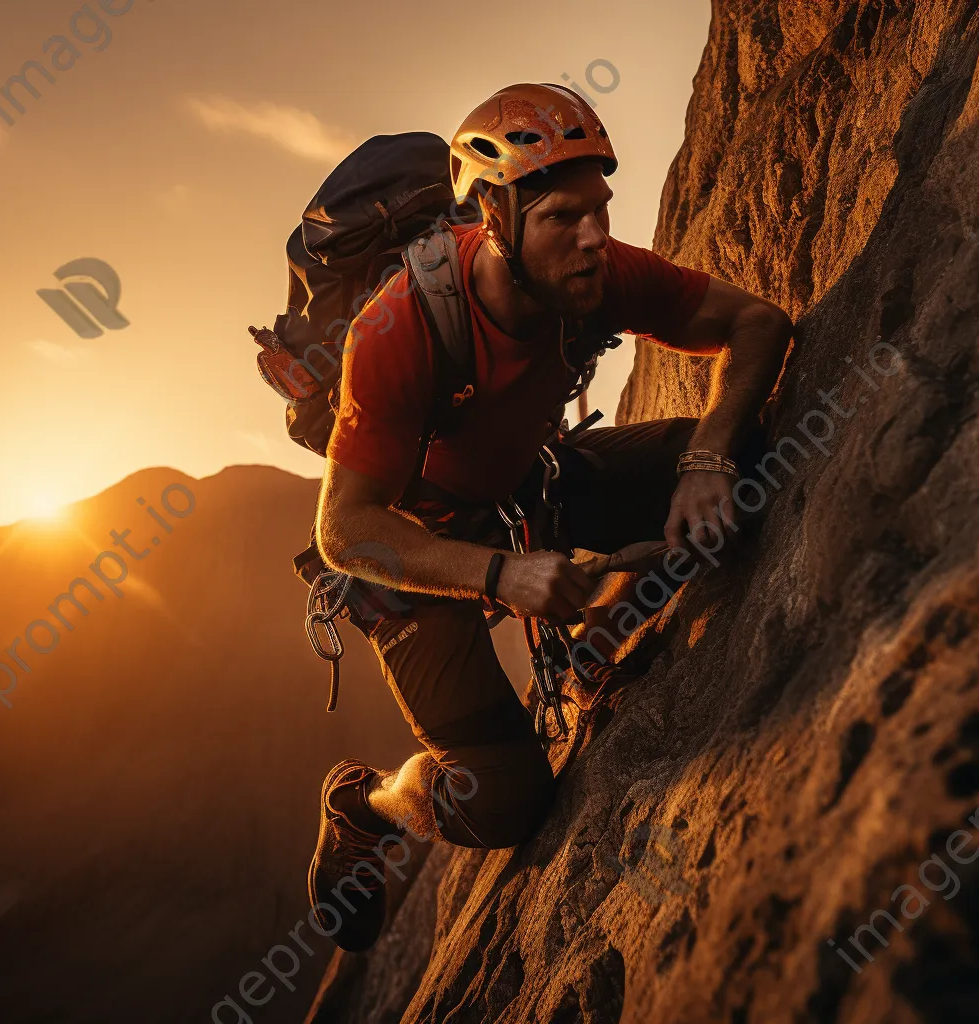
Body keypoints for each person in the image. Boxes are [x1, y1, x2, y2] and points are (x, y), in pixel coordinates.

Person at [298, 83, 794, 952]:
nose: (595, 236)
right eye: (565, 217)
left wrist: (709, 459)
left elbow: (755, 322)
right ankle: (364, 800)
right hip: (416, 561)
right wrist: (499, 576)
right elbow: (346, 528)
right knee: (502, 801)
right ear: (494, 217)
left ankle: (595, 639)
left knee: (752, 462)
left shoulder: (592, 274)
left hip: (534, 490)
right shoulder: (396, 332)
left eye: (600, 208)